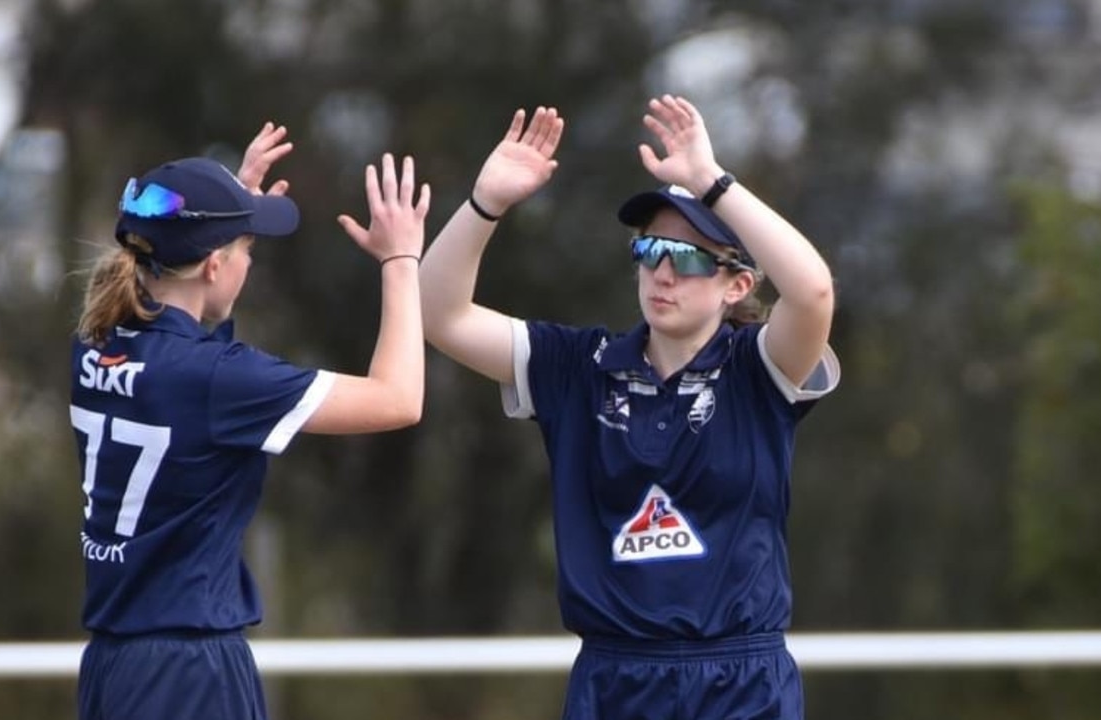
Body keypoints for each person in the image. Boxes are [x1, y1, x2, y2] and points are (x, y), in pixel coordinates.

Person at [420, 95, 839, 720]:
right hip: (614, 682)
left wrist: (711, 182)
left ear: (738, 286)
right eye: (648, 252)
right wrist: (487, 204)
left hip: (741, 684)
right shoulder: (577, 367)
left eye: (689, 258)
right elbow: (438, 315)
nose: (662, 273)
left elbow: (812, 290)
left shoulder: (760, 369)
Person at [69, 122, 430, 720]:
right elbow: (399, 399)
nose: (248, 264)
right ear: (215, 265)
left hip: (111, 667)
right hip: (189, 672)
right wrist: (400, 260)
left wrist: (224, 200)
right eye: (246, 251)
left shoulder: (92, 345)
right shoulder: (218, 379)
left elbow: (172, 337)